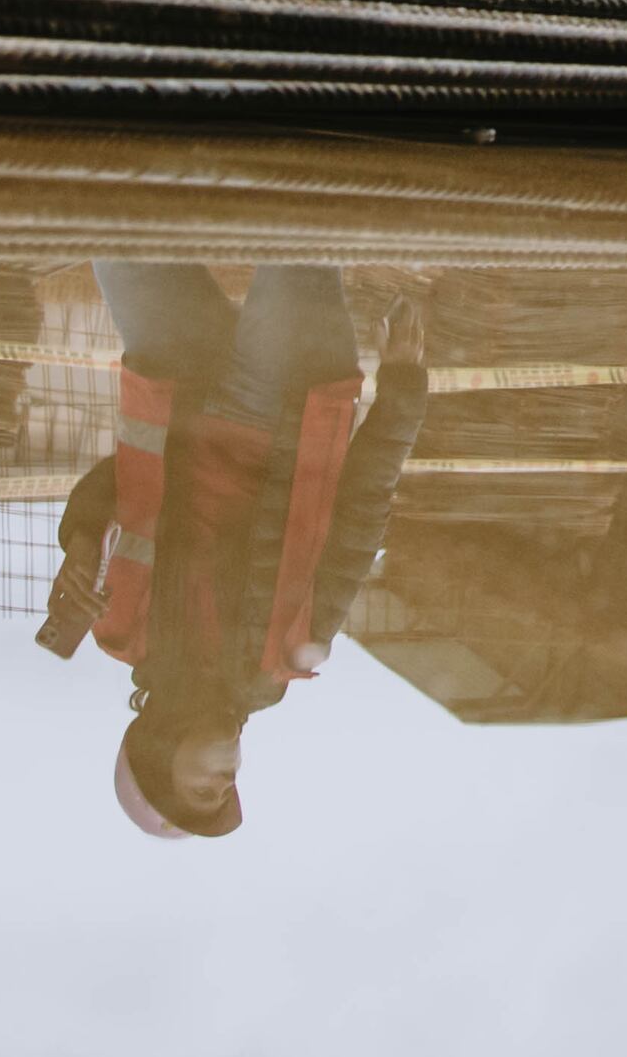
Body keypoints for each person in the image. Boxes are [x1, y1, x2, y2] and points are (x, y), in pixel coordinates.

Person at [39, 264, 426, 839]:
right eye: (228, 789)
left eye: (203, 789)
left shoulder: (116, 627)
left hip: (177, 378)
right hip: (289, 398)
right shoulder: (283, 657)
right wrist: (403, 392)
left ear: (157, 751)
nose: (225, 782)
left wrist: (79, 540)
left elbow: (123, 481)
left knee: (111, 227)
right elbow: (359, 521)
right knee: (295, 235)